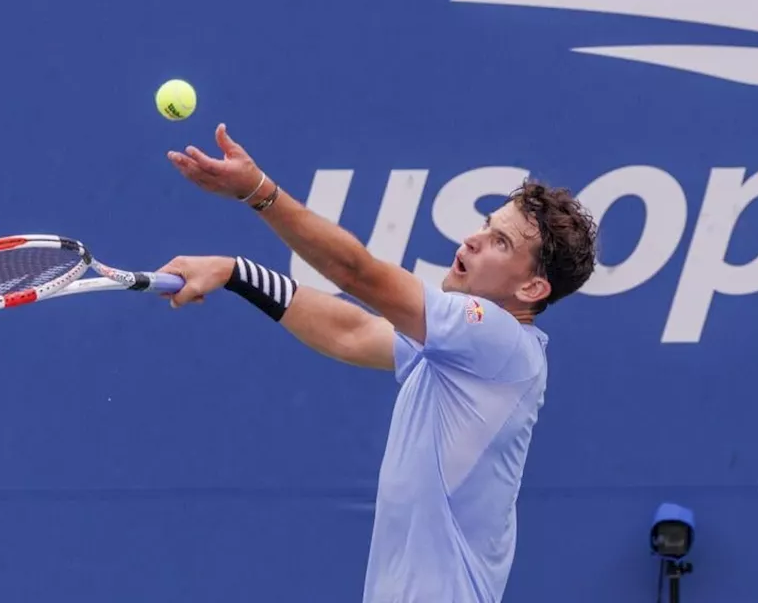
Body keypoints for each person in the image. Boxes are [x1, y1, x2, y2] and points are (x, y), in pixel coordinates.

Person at [158, 124, 599, 603]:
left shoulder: (499, 340)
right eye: (486, 224)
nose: (474, 239)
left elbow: (357, 274)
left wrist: (257, 191)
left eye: (501, 243)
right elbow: (352, 332)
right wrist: (237, 272)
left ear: (531, 290)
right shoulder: (461, 353)